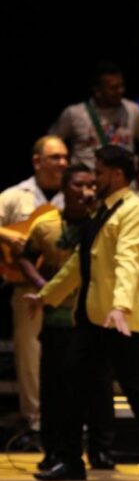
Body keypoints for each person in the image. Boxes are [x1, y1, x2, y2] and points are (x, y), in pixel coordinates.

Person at [28, 145, 139, 481]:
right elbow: (80, 261)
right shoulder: (102, 210)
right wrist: (46, 295)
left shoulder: (134, 210)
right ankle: (70, 460)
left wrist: (121, 306)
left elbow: (129, 261)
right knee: (73, 383)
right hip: (93, 316)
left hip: (119, 318)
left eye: (98, 172)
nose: (93, 179)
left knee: (138, 389)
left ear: (116, 174)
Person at [17, 164, 115, 472]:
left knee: (99, 387)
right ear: (64, 188)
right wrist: (42, 286)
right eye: (78, 185)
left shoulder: (102, 224)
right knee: (55, 389)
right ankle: (53, 451)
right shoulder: (45, 225)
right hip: (58, 320)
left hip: (94, 317)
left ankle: (101, 451)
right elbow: (25, 257)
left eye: (91, 185)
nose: (86, 191)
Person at [0, 136, 67, 441]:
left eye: (65, 157)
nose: (62, 163)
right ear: (37, 161)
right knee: (29, 353)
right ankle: (35, 422)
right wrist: (7, 236)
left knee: (68, 353)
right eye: (55, 157)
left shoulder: (77, 192)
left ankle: (69, 421)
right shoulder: (16, 195)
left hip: (66, 289)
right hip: (26, 286)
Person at [50, 61, 139, 185]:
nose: (120, 91)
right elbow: (51, 143)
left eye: (122, 86)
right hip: (87, 185)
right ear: (97, 91)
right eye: (114, 88)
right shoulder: (74, 113)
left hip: (124, 184)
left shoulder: (132, 110)